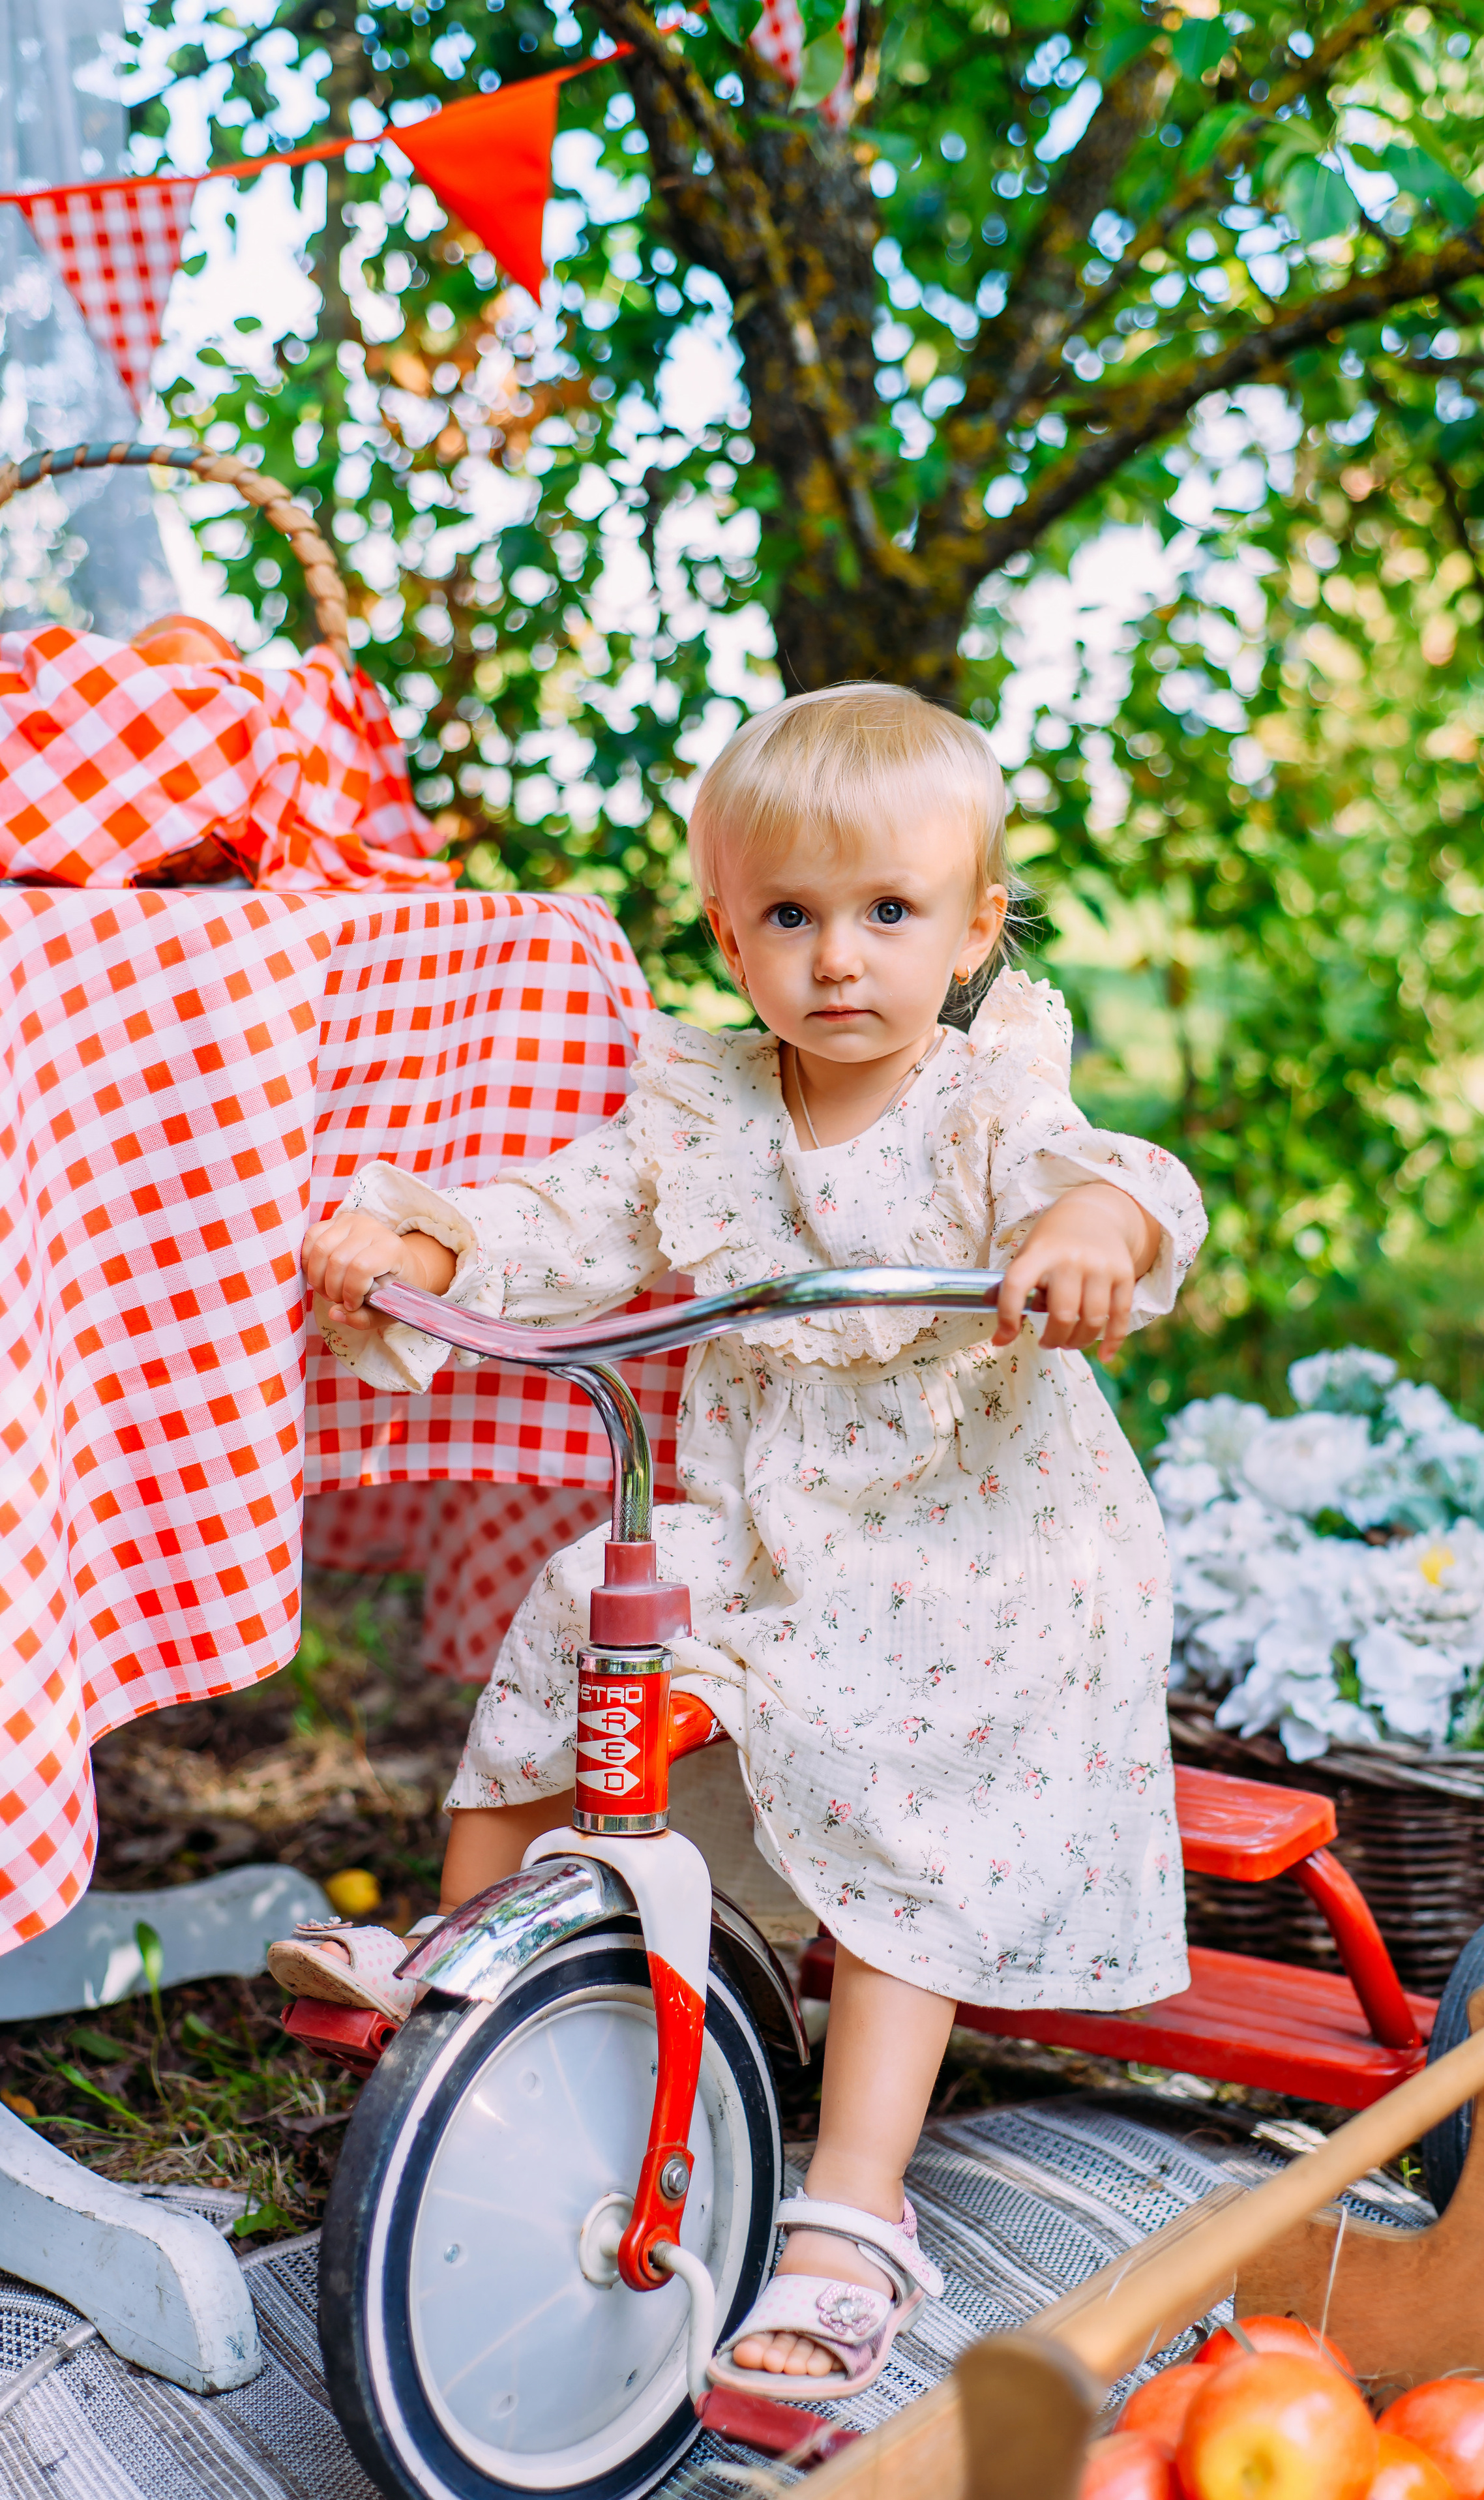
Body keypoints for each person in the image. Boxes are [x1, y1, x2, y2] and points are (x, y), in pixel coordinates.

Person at [273, 683, 1206, 2394]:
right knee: (579, 1593)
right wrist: (431, 1237)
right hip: (771, 1530)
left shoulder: (989, 1098)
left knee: (897, 1756)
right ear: (726, 928)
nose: (838, 958)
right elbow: (566, 1219)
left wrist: (1092, 1229)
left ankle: (857, 2205)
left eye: (888, 913)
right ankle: (466, 1943)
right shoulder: (705, 1107)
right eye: (790, 915)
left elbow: (1115, 1172)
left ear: (976, 926)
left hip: (979, 1556)